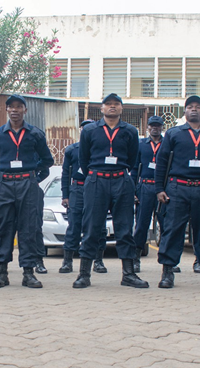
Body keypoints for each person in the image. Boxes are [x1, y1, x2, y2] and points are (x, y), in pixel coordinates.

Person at [74, 93, 147, 289]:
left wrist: (121, 175)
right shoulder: (90, 130)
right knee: (91, 228)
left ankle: (129, 274)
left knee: (124, 229)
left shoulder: (130, 131)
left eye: (116, 104)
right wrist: (95, 174)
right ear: (102, 108)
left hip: (121, 181)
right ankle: (84, 275)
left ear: (122, 109)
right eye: (108, 104)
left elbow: (133, 159)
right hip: (97, 180)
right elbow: (84, 159)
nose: (112, 107)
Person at [154, 96, 200, 288]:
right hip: (178, 188)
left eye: (198, 107)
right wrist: (159, 189)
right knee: (173, 230)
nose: (194, 110)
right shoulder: (174, 134)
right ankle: (168, 272)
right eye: (190, 107)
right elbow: (162, 161)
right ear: (185, 112)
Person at [0, 94, 54, 289]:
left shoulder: (35, 134)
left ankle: (28, 273)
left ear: (25, 110)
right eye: (11, 107)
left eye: (18, 107)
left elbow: (47, 160)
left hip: (27, 185)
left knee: (28, 229)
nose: (14, 110)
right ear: (6, 110)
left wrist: (34, 177)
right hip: (5, 184)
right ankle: (2, 273)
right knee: (3, 228)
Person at [131, 116, 166, 274]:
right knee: (141, 225)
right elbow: (133, 170)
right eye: (152, 126)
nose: (155, 129)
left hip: (163, 189)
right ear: (148, 128)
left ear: (162, 128)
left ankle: (167, 259)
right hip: (145, 186)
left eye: (158, 126)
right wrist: (133, 190)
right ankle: (136, 258)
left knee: (166, 225)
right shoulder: (140, 145)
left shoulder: (167, 144)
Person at [59, 119, 93, 273]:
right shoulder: (72, 149)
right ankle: (67, 261)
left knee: (95, 226)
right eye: (84, 128)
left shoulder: (98, 149)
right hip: (77, 189)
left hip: (94, 187)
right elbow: (65, 173)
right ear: (80, 130)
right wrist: (65, 195)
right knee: (73, 226)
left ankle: (97, 261)